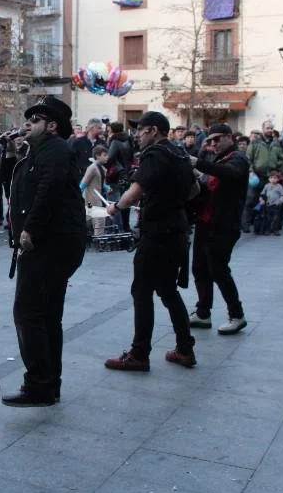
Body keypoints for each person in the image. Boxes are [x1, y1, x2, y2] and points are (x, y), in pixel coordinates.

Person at [3, 96, 86, 406]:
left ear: (52, 126)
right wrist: (9, 155)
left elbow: (49, 187)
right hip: (49, 242)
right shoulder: (35, 153)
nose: (27, 123)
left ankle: (39, 383)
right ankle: (49, 384)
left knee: (28, 313)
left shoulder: (56, 150)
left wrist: (31, 228)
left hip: (51, 243)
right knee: (47, 315)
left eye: (35, 119)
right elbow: (15, 189)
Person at [105, 111, 199, 370]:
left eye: (140, 130)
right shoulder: (180, 154)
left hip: (157, 233)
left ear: (153, 130)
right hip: (177, 229)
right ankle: (185, 349)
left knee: (142, 291)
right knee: (168, 290)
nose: (137, 135)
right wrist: (171, 198)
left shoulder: (154, 155)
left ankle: (139, 354)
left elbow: (134, 193)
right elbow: (195, 190)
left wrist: (116, 206)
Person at [187, 124, 249, 334]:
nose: (213, 144)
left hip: (224, 225)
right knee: (200, 268)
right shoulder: (218, 159)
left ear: (229, 137)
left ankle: (236, 314)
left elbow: (229, 173)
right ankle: (203, 312)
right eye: (210, 140)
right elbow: (209, 184)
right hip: (205, 222)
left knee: (219, 270)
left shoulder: (238, 158)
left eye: (217, 139)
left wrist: (198, 164)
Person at [243, 121, 283, 233]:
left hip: (270, 177)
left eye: (271, 128)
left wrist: (276, 168)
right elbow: (248, 158)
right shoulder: (255, 142)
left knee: (268, 202)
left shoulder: (276, 144)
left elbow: (281, 159)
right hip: (256, 176)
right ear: (263, 129)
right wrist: (251, 171)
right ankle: (246, 224)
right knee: (250, 199)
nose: (270, 130)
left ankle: (265, 226)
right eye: (267, 128)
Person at [81, 145, 110, 239]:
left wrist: (107, 188)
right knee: (99, 221)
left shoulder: (101, 168)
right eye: (104, 155)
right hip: (91, 199)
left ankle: (96, 240)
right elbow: (84, 183)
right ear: (97, 156)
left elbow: (100, 182)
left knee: (96, 222)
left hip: (97, 199)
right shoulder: (92, 168)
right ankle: (98, 241)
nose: (107, 157)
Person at [256, 171, 283, 236]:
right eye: (271, 178)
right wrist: (261, 199)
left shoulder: (279, 186)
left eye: (275, 178)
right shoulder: (267, 186)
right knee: (268, 217)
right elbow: (262, 194)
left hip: (276, 205)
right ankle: (267, 230)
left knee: (276, 218)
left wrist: (280, 201)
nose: (273, 179)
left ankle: (275, 230)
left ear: (278, 179)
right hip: (268, 204)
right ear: (269, 179)